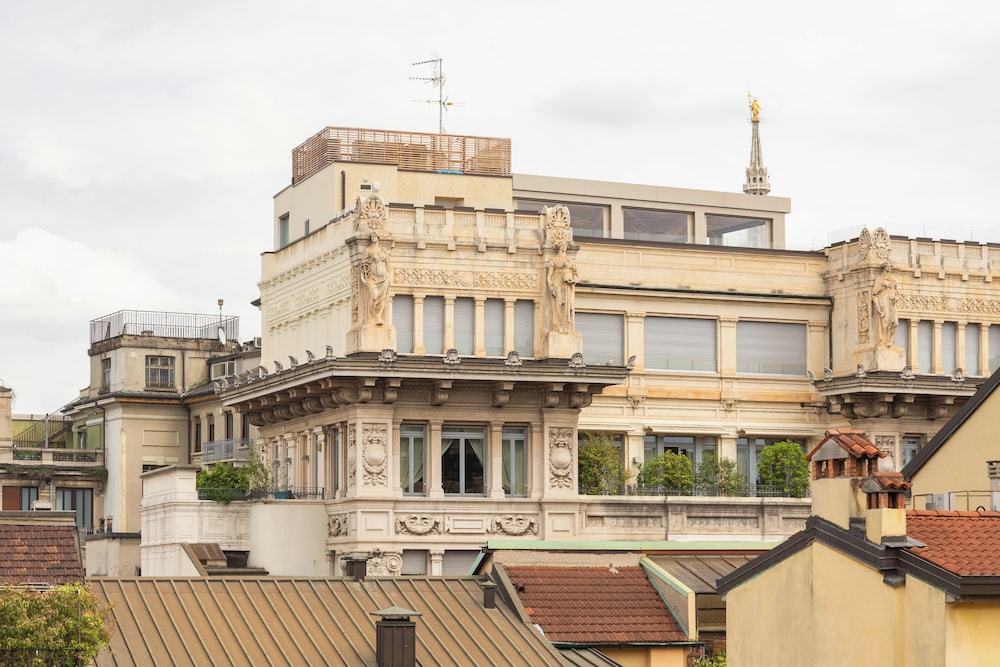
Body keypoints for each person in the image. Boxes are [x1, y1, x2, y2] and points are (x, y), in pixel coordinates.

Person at [547, 245, 577, 333]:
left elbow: (575, 273)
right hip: (557, 282)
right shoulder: (554, 260)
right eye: (562, 245)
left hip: (567, 284)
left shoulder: (570, 260)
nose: (564, 247)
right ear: (559, 247)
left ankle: (566, 326)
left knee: (568, 306)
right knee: (558, 304)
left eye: (565, 245)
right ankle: (559, 325)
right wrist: (550, 285)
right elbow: (549, 275)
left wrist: (573, 280)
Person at [361, 232, 390, 324]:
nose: (373, 238)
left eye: (375, 236)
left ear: (378, 237)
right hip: (373, 278)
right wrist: (362, 277)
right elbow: (363, 266)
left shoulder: (383, 250)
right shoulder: (368, 250)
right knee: (374, 297)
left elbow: (388, 265)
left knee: (382, 298)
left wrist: (388, 276)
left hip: (383, 278)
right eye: (372, 236)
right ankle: (372, 316)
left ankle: (378, 316)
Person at [872, 266, 899, 346]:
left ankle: (890, 340)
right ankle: (884, 341)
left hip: (892, 303)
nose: (889, 270)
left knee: (895, 322)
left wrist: (896, 298)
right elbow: (874, 293)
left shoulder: (892, 280)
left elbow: (897, 293)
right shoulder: (879, 279)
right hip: (883, 301)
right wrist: (878, 306)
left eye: (890, 268)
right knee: (885, 321)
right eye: (888, 268)